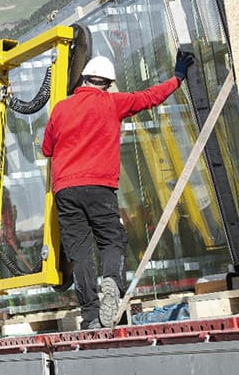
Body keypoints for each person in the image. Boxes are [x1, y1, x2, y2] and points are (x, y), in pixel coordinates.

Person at [42, 51, 194, 329]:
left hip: (66, 190)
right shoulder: (113, 103)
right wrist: (178, 77)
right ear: (108, 84)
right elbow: (150, 97)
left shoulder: (60, 109)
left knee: (80, 253)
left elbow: (47, 149)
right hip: (100, 187)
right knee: (112, 241)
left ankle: (90, 316)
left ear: (83, 80)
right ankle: (112, 281)